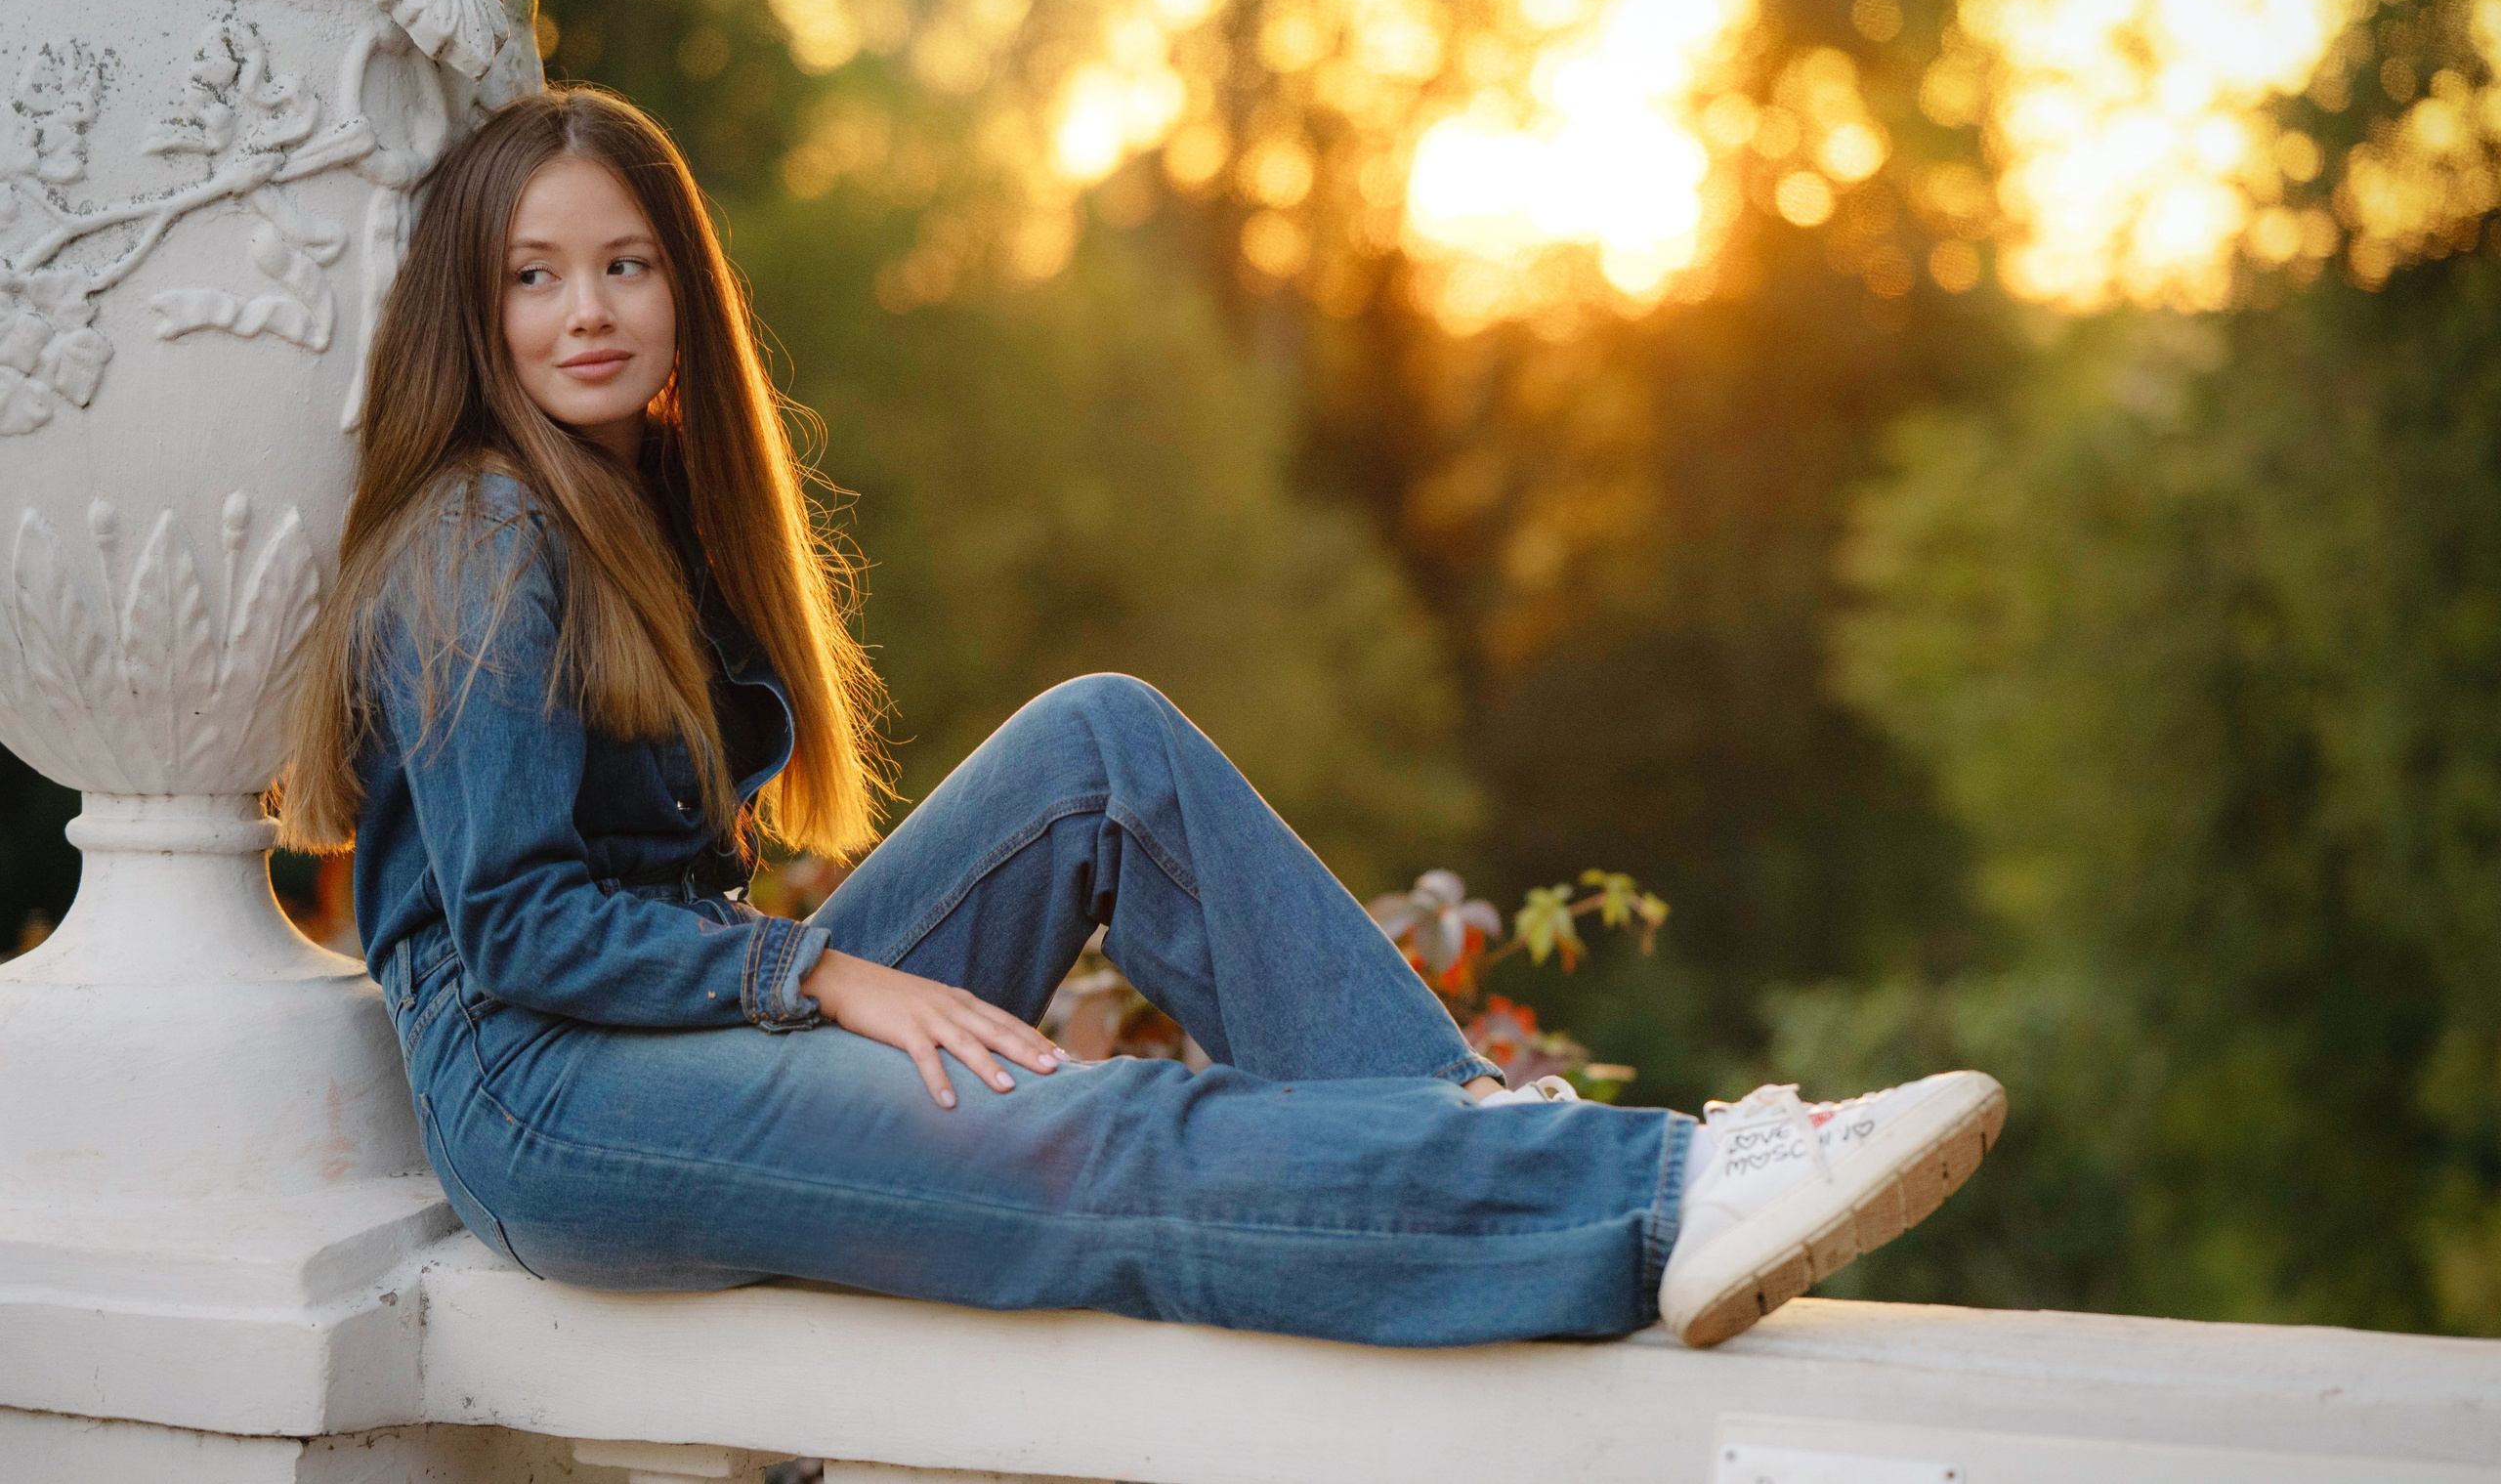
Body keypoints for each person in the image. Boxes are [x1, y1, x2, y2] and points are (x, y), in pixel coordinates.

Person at [277, 87, 2003, 1351]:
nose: (588, 311)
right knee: (1074, 1129)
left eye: (627, 265)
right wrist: (820, 975)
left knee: (1104, 745)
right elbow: (507, 924)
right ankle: (1665, 1195)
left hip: (675, 1030)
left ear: (681, 298)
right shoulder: (484, 530)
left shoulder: (639, 501)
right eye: (534, 277)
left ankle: (1511, 1149)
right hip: (554, 1099)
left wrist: (799, 982)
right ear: (473, 309)